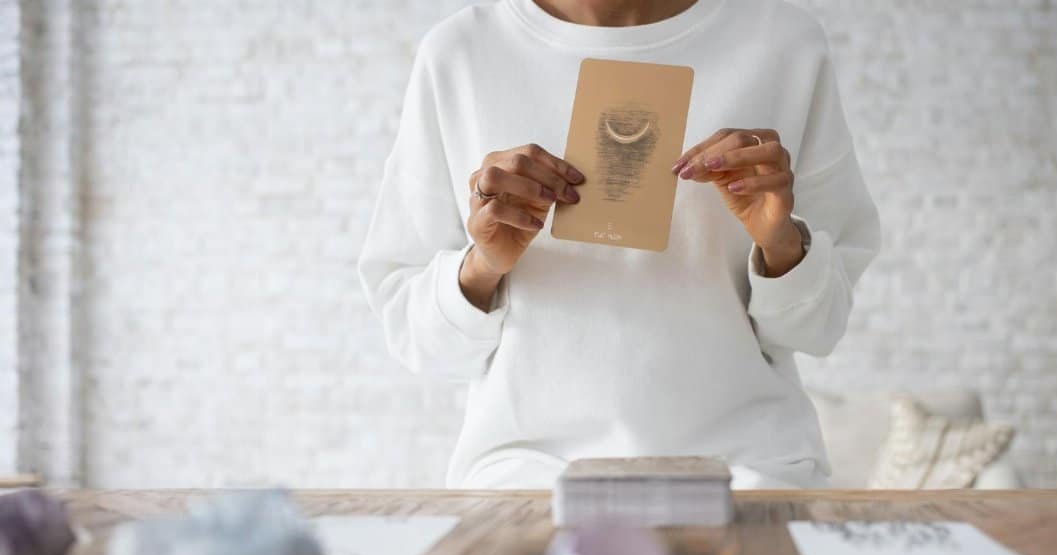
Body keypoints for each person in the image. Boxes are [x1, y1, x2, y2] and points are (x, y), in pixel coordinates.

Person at [358, 0, 880, 489]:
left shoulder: (784, 45)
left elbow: (820, 327)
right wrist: (483, 266)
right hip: (526, 482)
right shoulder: (460, 55)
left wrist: (780, 243)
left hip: (749, 475)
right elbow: (417, 340)